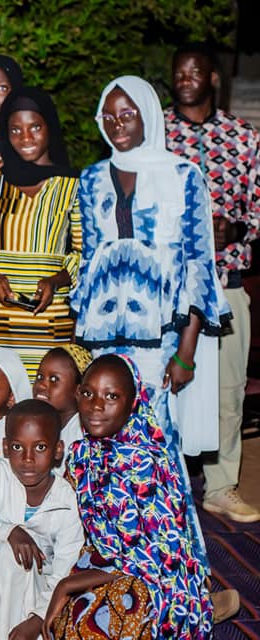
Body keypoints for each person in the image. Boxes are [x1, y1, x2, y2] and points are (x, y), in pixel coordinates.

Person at [73, 76, 229, 567]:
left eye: (128, 114)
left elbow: (199, 265)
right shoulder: (91, 179)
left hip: (161, 341)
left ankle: (180, 563)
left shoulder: (184, 175)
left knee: (158, 448)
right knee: (107, 448)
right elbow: (91, 257)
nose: (118, 124)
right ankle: (117, 559)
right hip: (106, 343)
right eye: (110, 116)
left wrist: (186, 352)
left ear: (149, 116)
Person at [44, 355, 213, 639]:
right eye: (88, 393)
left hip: (154, 579)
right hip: (98, 563)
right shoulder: (82, 454)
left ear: (133, 402)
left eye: (111, 396)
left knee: (105, 619)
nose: (96, 405)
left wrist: (68, 585)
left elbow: (157, 561)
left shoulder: (145, 464)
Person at [164, 44, 260, 523]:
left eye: (195, 70)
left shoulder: (243, 138)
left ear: (213, 78)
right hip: (169, 288)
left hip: (226, 283)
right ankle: (165, 480)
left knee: (227, 390)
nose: (186, 78)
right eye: (179, 71)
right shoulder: (153, 134)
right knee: (168, 386)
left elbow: (258, 213)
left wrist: (234, 229)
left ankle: (221, 485)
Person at [0, 86, 82, 379]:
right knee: (0, 398)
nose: (25, 137)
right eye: (15, 129)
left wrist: (55, 280)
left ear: (50, 127)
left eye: (35, 126)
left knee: (47, 404)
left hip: (51, 316)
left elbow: (82, 255)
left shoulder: (74, 185)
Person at [0, 399, 82, 640]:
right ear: (5, 447)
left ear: (58, 450)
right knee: (8, 556)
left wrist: (37, 619)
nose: (27, 459)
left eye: (40, 448)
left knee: (19, 565)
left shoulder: (67, 500)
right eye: (17, 447)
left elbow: (65, 572)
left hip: (40, 595)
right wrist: (8, 531)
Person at [32, 345, 93, 466]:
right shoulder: (40, 424)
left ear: (78, 391)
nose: (41, 385)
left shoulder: (80, 436)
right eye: (39, 377)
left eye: (54, 379)